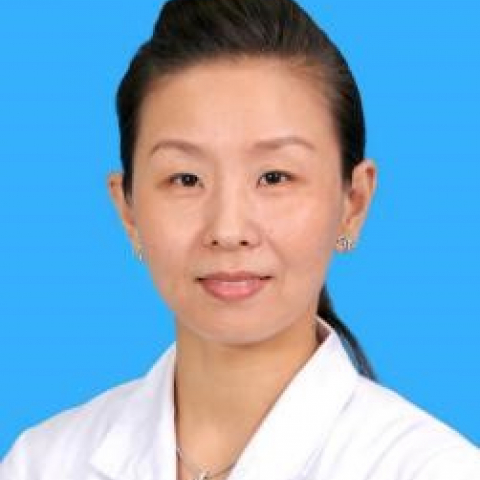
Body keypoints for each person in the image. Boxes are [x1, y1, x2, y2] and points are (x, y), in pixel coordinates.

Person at [1, 0, 479, 478]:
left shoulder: (431, 469)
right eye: (186, 179)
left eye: (274, 177)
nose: (228, 231)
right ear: (128, 210)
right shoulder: (41, 462)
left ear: (352, 203)